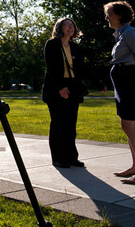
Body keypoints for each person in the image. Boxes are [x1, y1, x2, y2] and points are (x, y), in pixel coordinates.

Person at [42, 18, 106, 169]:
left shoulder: (75, 47)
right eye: (67, 25)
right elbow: (51, 68)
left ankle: (71, 157)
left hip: (73, 89)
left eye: (72, 25)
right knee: (58, 123)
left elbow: (83, 68)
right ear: (60, 28)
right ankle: (58, 158)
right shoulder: (52, 44)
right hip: (56, 89)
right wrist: (60, 87)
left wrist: (98, 83)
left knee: (71, 124)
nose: (71, 27)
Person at [104, 1, 135, 184]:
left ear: (120, 15)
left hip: (129, 80)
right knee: (126, 125)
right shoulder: (120, 35)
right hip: (124, 82)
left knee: (128, 125)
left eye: (109, 13)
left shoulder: (131, 33)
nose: (106, 17)